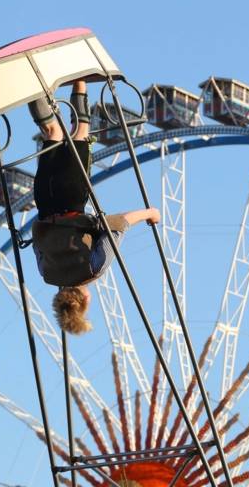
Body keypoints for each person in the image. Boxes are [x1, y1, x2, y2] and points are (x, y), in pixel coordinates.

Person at [28, 80, 160, 335]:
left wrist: (150, 213)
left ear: (85, 301)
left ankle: (80, 82)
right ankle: (29, 89)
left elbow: (118, 224)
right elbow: (36, 241)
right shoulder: (47, 274)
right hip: (44, 200)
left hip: (72, 197)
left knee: (81, 131)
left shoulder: (94, 268)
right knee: (52, 132)